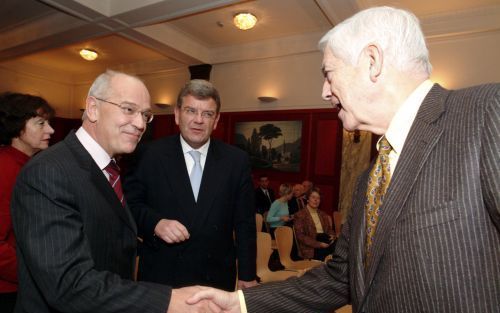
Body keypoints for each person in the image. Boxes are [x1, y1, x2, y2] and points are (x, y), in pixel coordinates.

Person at [187, 6, 500, 313]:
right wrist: (240, 304)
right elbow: (340, 279)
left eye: (328, 73)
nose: (324, 91)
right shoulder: (370, 179)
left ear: (371, 61)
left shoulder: (487, 113)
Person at [10, 70, 210, 313]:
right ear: (93, 108)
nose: (140, 124)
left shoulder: (110, 167)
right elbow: (68, 285)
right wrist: (168, 300)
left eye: (145, 115)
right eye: (128, 109)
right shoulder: (48, 172)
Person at [123, 79, 257, 291]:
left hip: (215, 278)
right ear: (177, 114)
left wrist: (248, 274)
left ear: (216, 120)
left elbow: (245, 223)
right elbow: (129, 205)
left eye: (207, 114)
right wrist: (156, 224)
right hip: (162, 276)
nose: (198, 120)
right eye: (191, 110)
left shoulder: (236, 160)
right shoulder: (149, 154)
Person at [0, 92, 54, 313]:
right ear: (16, 126)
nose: (50, 130)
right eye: (40, 123)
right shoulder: (5, 168)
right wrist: (34, 273)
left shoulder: (27, 165)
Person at [293, 189, 336, 261]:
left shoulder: (323, 214)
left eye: (318, 198)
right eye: (313, 197)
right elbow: (301, 236)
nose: (316, 200)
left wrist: (332, 235)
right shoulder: (300, 215)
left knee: (339, 244)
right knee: (333, 254)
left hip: (324, 241)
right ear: (307, 199)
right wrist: (318, 244)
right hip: (311, 247)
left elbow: (329, 229)